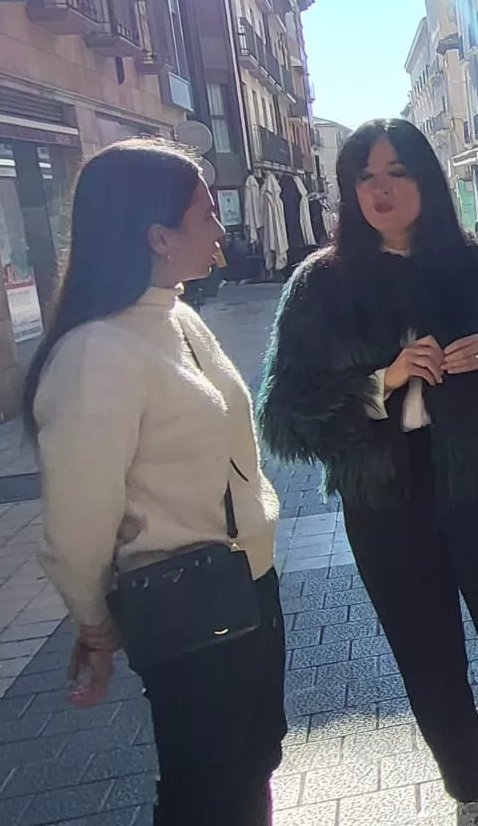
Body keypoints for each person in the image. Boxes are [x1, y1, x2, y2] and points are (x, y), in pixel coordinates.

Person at [256, 119, 478, 826]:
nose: (381, 190)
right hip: (385, 503)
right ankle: (469, 792)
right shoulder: (319, 286)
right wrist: (377, 384)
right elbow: (282, 416)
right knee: (427, 657)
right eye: (365, 177)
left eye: (398, 173)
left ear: (427, 180)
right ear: (349, 190)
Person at [26, 139, 285, 825]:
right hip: (187, 600)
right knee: (208, 790)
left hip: (249, 582)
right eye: (205, 214)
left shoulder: (177, 316)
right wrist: (97, 627)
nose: (220, 227)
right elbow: (76, 523)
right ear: (158, 236)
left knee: (252, 762)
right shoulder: (97, 353)